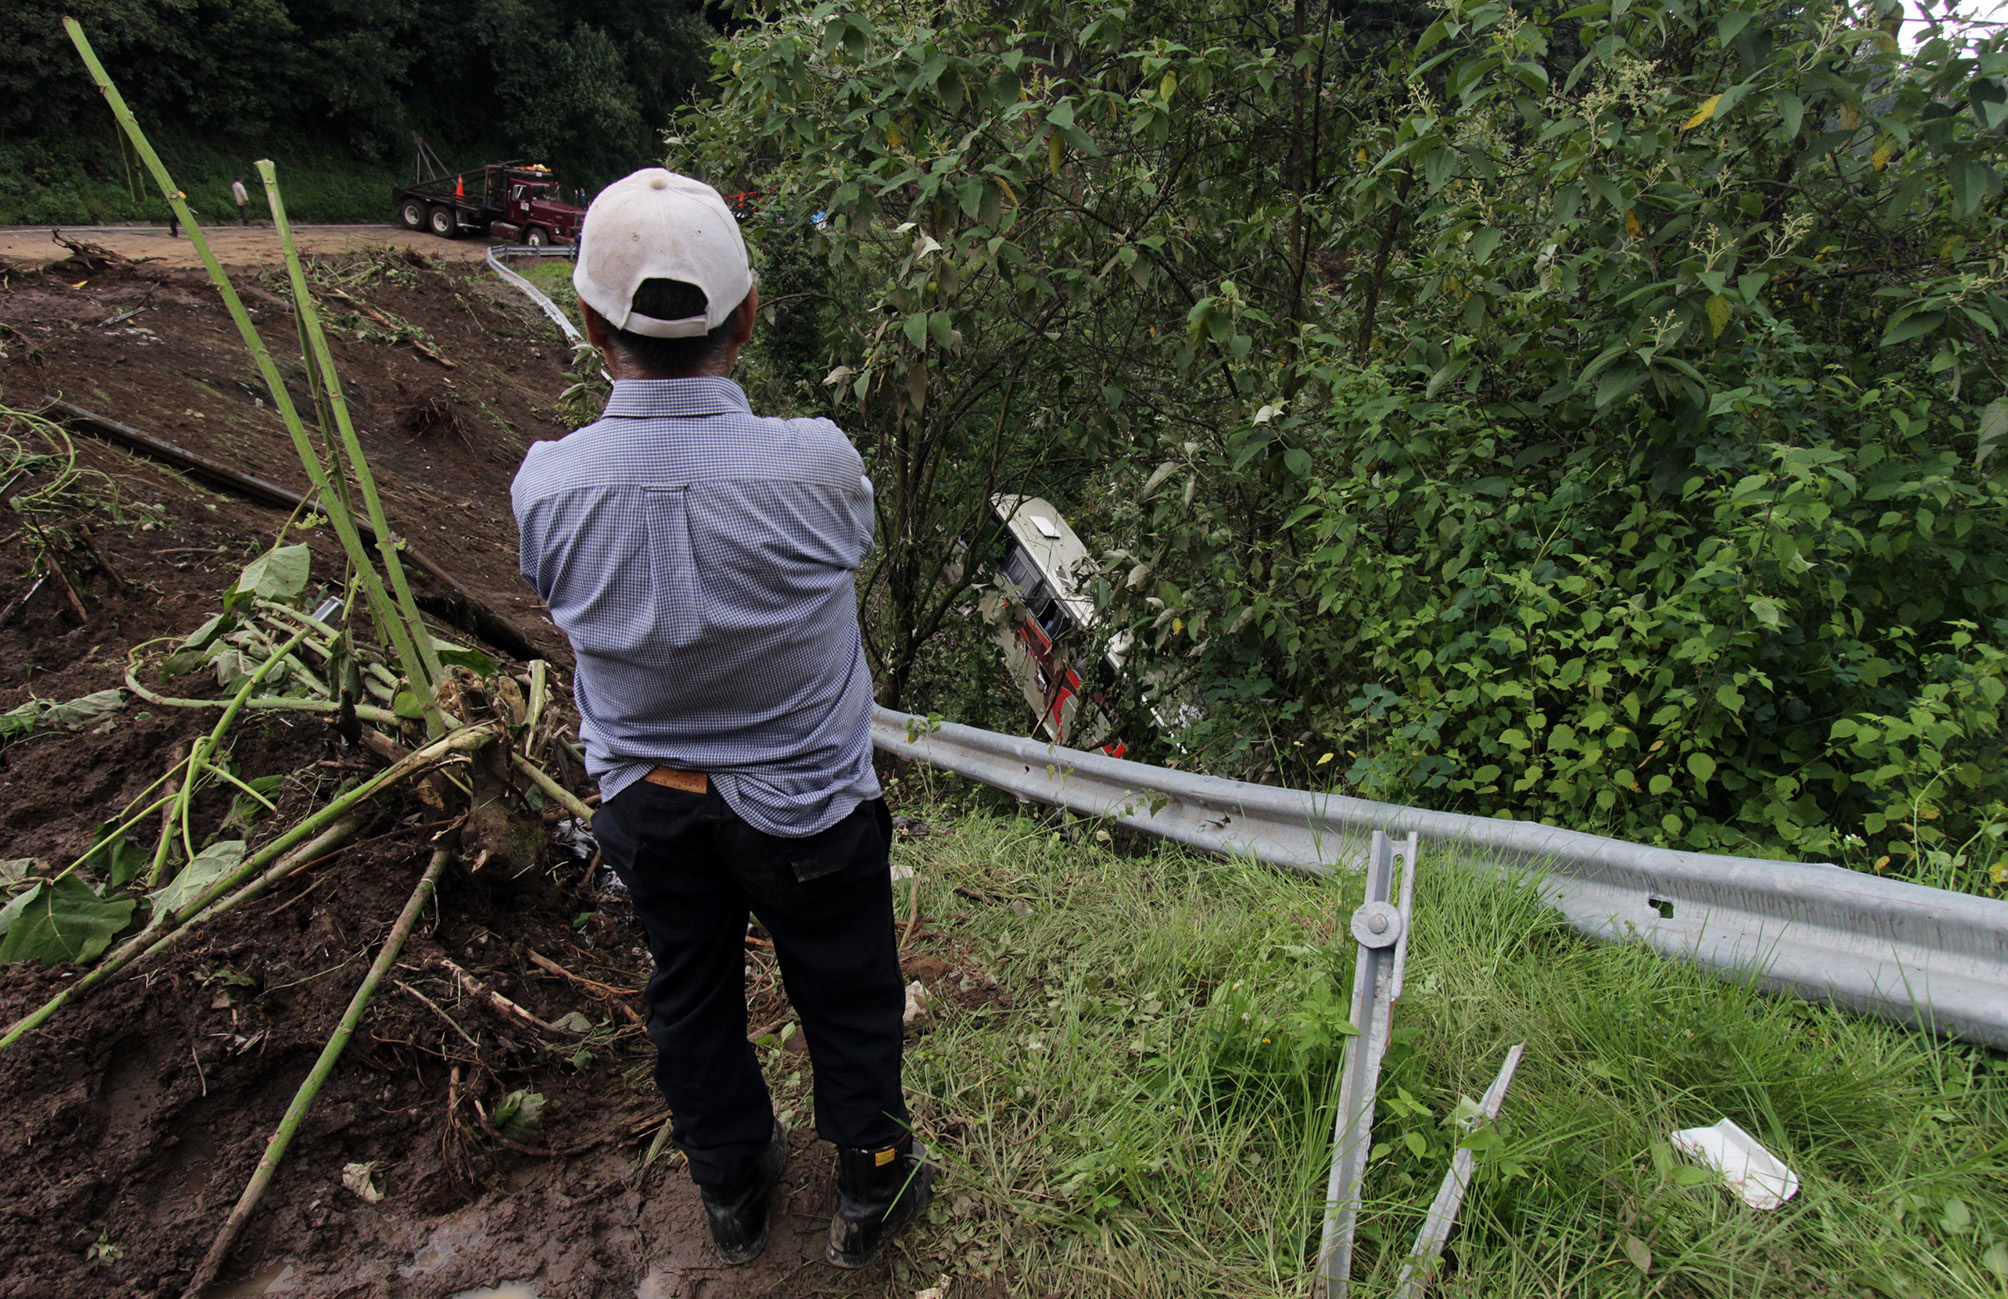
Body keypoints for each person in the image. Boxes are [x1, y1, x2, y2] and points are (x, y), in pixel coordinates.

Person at [511, 169, 931, 1270]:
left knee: (687, 994)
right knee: (845, 991)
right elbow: (851, 552)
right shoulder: (814, 465)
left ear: (594, 328)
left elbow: (560, 598)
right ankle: (870, 1186)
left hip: (648, 807)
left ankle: (733, 1189)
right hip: (806, 811)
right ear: (746, 317)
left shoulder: (547, 488)